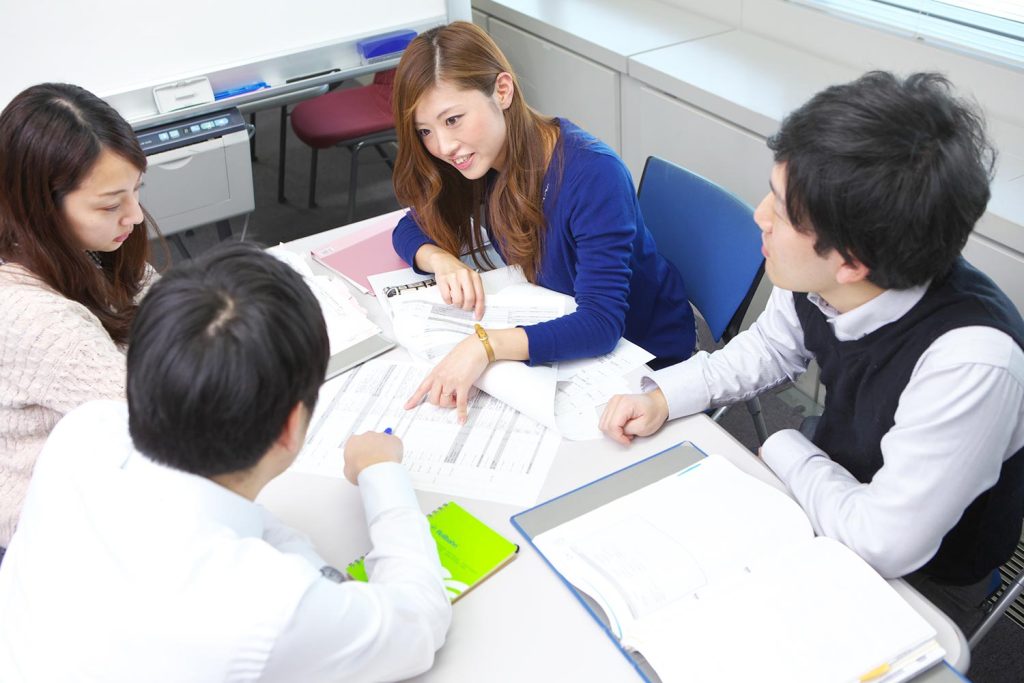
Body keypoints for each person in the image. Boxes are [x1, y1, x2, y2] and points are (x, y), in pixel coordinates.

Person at [599, 71, 1024, 635]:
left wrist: (786, 447)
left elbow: (884, 543)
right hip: (837, 476)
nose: (760, 215)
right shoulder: (824, 271)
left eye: (780, 210)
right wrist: (662, 397)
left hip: (932, 563)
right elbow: (767, 350)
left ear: (850, 263)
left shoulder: (971, 360)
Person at [0, 242, 452, 681]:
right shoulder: (266, 607)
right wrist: (382, 474)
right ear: (288, 427)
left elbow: (241, 521)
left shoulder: (86, 431)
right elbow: (417, 623)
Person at [391, 21, 696, 422]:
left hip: (641, 356)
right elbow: (409, 228)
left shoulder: (593, 174)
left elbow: (601, 324)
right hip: (561, 328)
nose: (444, 146)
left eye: (453, 120)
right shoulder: (478, 158)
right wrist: (442, 261)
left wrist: (485, 346)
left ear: (502, 91)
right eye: (425, 131)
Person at [0, 83, 159, 555]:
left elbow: (166, 306)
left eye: (137, 190)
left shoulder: (84, 246)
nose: (134, 216)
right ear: (40, 206)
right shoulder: (31, 317)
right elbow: (159, 419)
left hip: (106, 474)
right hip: (48, 532)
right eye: (110, 204)